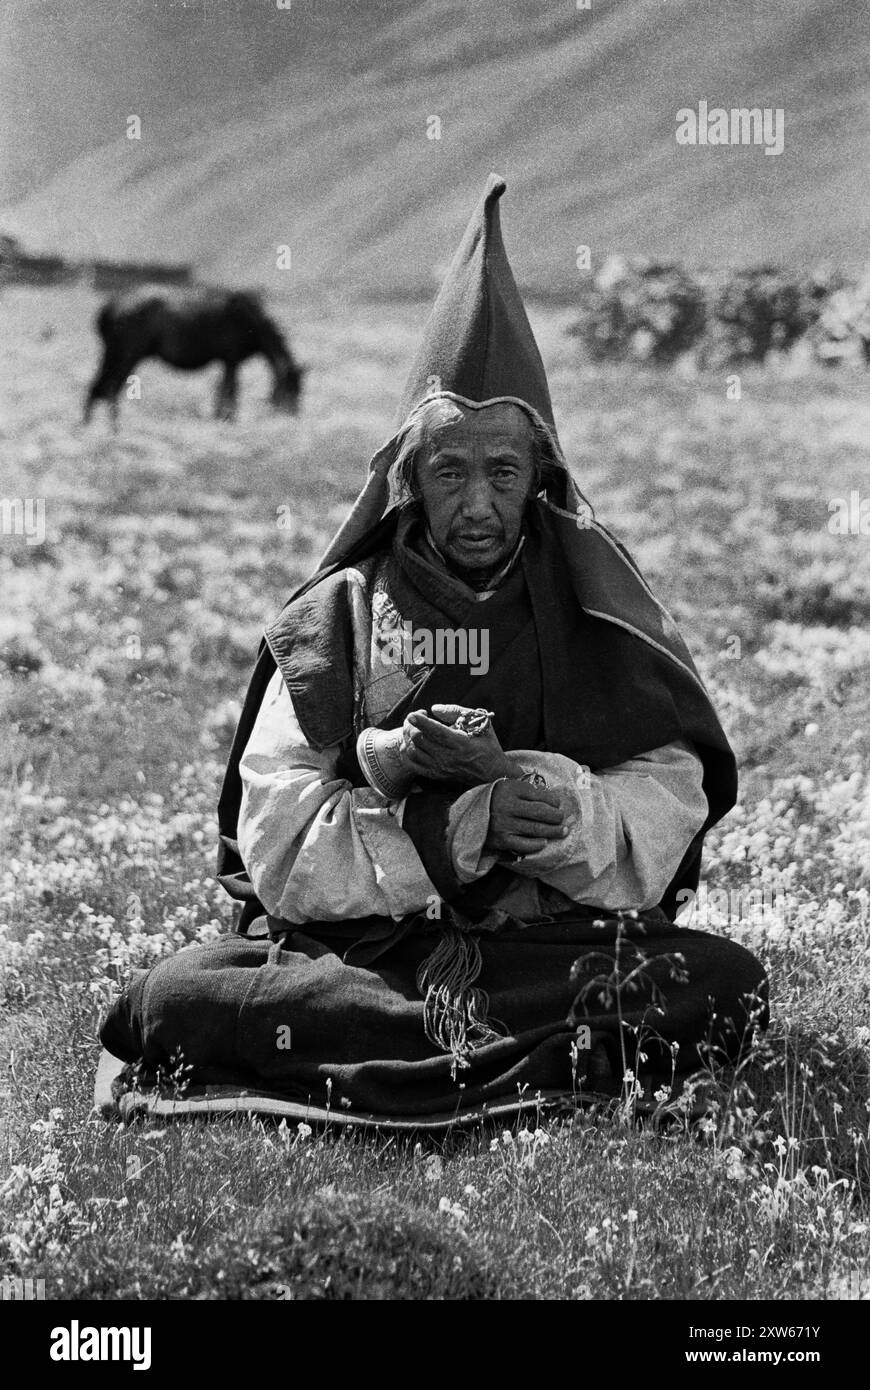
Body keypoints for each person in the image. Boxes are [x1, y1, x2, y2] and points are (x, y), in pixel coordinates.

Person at [100, 175, 767, 1121]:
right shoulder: (341, 617)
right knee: (174, 996)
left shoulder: (600, 615)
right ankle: (530, 1064)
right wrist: (457, 830)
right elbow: (282, 842)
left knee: (725, 978)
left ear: (542, 476)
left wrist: (540, 802)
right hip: (374, 952)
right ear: (407, 480)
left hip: (549, 946)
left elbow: (657, 823)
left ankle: (380, 1067)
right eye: (450, 471)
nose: (480, 504)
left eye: (504, 471)